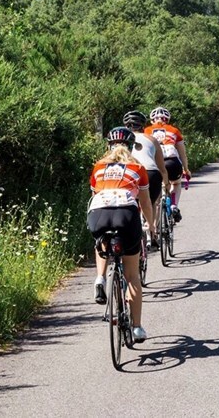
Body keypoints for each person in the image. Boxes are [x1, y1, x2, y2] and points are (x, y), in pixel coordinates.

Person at [88, 127, 155, 343]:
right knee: (133, 275)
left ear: (108, 146)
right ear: (133, 146)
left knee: (102, 242)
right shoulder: (137, 167)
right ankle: (136, 328)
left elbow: (96, 193)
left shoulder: (98, 168)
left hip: (99, 213)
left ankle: (100, 277)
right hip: (126, 214)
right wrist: (151, 227)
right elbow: (144, 202)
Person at [124, 109, 170, 250]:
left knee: (131, 202)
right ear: (143, 126)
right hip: (151, 172)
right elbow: (162, 168)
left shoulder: (122, 139)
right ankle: (152, 232)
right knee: (151, 202)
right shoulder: (152, 139)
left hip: (130, 173)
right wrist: (166, 184)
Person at [145, 107, 189, 222]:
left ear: (152, 121)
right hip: (172, 162)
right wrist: (186, 169)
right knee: (176, 183)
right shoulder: (174, 130)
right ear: (167, 120)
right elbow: (182, 153)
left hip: (154, 164)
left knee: (157, 196)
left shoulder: (146, 131)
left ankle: (154, 228)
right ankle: (174, 205)